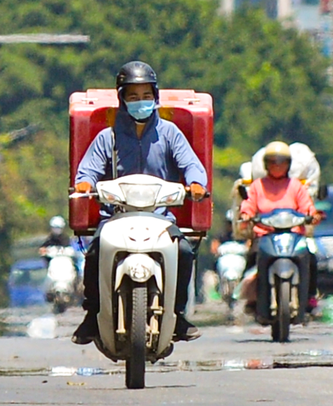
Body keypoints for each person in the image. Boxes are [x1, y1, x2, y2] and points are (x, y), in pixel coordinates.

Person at [71, 60, 208, 345]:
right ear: (121, 99)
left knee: (183, 251)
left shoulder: (170, 133)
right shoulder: (106, 137)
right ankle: (92, 314)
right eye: (133, 97)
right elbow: (86, 172)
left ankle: (177, 314)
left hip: (160, 218)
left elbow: (193, 166)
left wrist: (196, 184)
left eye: (146, 96)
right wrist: (84, 184)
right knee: (94, 253)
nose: (140, 102)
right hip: (116, 217)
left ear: (156, 97)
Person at [238, 141, 321, 321]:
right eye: (273, 162)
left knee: (311, 259)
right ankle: (253, 300)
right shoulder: (257, 186)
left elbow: (307, 205)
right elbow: (249, 205)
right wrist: (246, 215)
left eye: (281, 162)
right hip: (265, 235)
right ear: (266, 165)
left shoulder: (296, 186)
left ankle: (309, 298)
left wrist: (312, 215)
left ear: (288, 164)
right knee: (252, 257)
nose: (277, 166)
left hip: (293, 235)